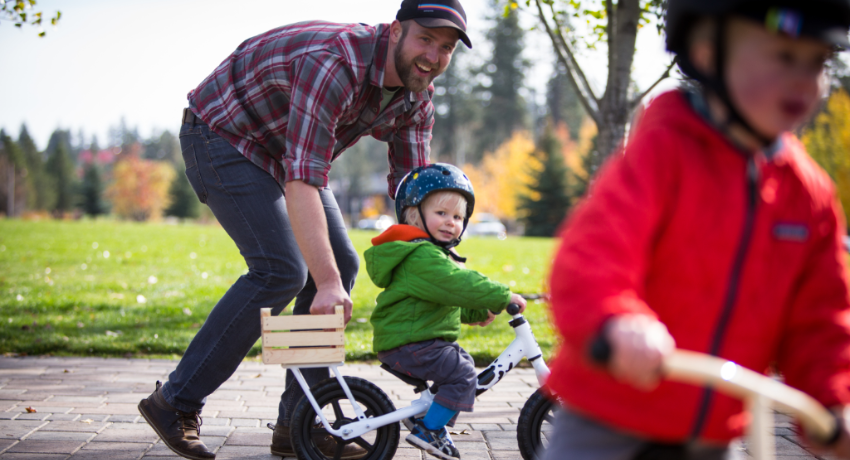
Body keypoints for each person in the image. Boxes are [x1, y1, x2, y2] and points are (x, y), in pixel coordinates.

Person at [136, 1, 473, 459]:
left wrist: (443, 274)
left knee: (339, 265)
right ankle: (174, 401)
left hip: (283, 152)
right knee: (282, 270)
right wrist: (329, 284)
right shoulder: (336, 64)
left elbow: (415, 199)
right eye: (425, 39)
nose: (433, 57)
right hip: (223, 135)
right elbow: (303, 179)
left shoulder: (418, 98)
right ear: (396, 31)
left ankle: (301, 424)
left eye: (446, 48)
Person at [542, 0, 850, 459]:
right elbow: (593, 255)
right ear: (708, 52)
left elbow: (820, 319)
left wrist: (833, 401)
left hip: (713, 433)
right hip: (609, 419)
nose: (805, 80)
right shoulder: (663, 152)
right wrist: (618, 320)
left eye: (818, 63)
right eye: (785, 57)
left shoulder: (809, 196)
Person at [364, 163, 527, 460]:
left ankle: (427, 418)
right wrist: (502, 294)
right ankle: (429, 430)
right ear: (414, 214)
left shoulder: (429, 254)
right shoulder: (422, 256)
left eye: (458, 217)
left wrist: (477, 311)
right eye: (441, 213)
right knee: (463, 373)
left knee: (460, 360)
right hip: (409, 342)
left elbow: (442, 298)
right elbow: (457, 283)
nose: (451, 222)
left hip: (415, 339)